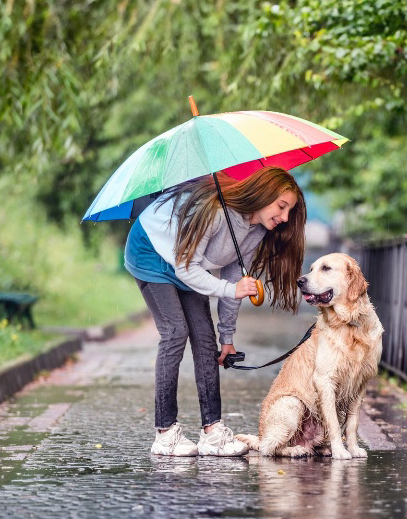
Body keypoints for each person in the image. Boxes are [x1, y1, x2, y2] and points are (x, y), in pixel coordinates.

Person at [124, 166, 306, 456]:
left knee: (205, 341)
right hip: (150, 252)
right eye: (282, 207)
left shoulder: (257, 230)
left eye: (288, 211)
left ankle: (212, 432)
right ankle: (165, 432)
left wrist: (227, 337)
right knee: (175, 332)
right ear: (263, 195)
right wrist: (229, 289)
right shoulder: (216, 213)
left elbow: (236, 280)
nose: (285, 218)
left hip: (189, 263)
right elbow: (189, 269)